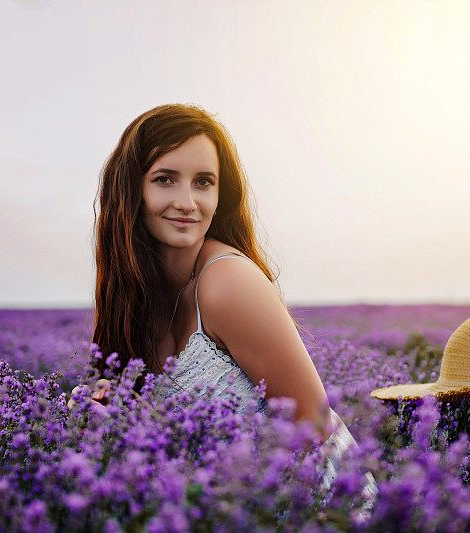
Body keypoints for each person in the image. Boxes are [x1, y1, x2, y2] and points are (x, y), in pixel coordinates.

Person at [88, 104, 374, 504]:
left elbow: (316, 431)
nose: (187, 202)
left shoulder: (226, 283)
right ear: (132, 189)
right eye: (165, 179)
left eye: (203, 182)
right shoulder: (137, 300)